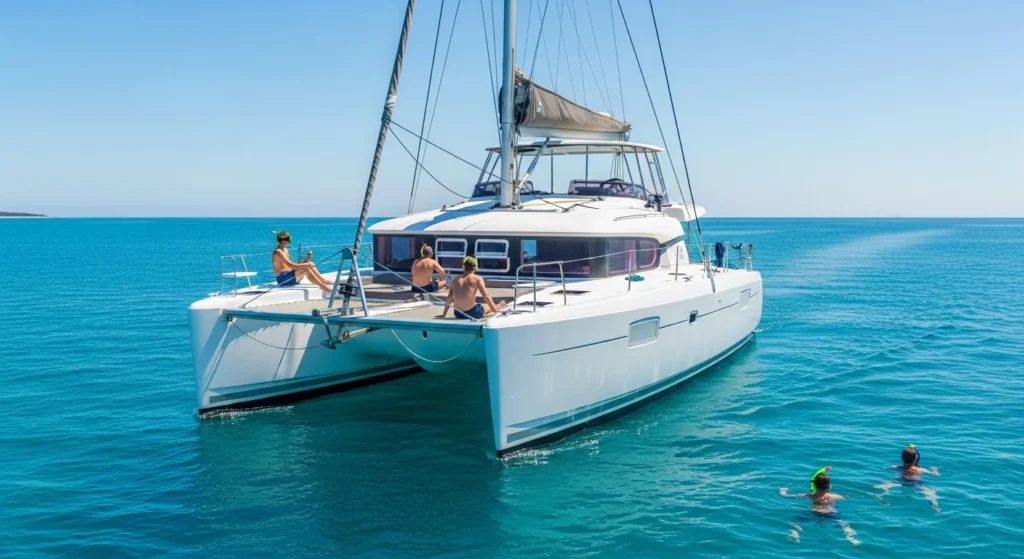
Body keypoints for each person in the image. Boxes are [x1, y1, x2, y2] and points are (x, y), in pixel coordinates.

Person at [781, 466, 859, 545]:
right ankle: (851, 538)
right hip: (830, 512)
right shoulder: (835, 496)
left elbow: (787, 496)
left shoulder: (809, 496)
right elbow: (844, 498)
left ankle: (795, 534)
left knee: (796, 523)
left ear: (814, 485)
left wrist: (783, 491)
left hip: (814, 511)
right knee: (843, 525)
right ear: (829, 486)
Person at [876, 444, 941, 511]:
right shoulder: (921, 470)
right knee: (930, 492)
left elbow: (886, 468)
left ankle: (882, 494)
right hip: (916, 483)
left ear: (901, 457)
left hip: (900, 480)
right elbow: (935, 475)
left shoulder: (897, 467)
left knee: (885, 485)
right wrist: (935, 470)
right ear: (915, 458)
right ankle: (934, 503)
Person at [440, 256, 506, 320]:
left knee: (479, 305)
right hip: (472, 314)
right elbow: (486, 296)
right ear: (475, 267)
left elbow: (449, 297)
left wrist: (444, 314)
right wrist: (496, 312)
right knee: (487, 306)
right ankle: (499, 306)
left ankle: (497, 306)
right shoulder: (477, 278)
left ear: (463, 267)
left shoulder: (455, 279)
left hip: (458, 313)